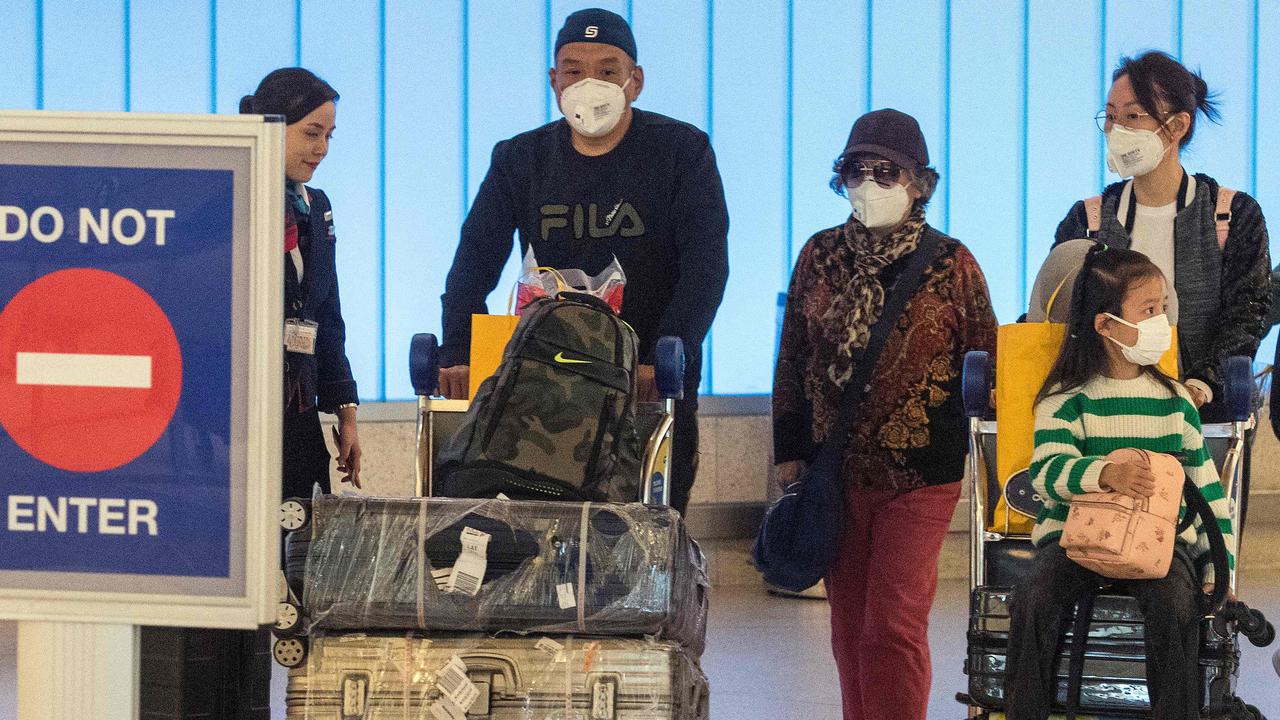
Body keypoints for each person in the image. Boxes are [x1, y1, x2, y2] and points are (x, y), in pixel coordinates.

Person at [437, 8, 729, 514]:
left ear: (634, 81)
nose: (588, 82)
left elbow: (706, 266)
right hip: (545, 375)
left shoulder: (681, 151)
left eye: (608, 70)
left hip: (649, 378)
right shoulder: (520, 158)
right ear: (554, 81)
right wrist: (457, 350)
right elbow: (472, 264)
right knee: (545, 523)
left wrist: (662, 356)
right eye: (573, 70)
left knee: (646, 532)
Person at [771, 108, 998, 720]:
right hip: (833, 473)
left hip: (922, 472)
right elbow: (792, 356)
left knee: (891, 624)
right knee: (848, 629)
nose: (868, 184)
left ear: (920, 183)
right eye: (855, 170)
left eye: (886, 171)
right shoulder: (818, 255)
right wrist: (789, 453)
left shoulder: (953, 263)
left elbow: (987, 360)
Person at [1004, 244, 1234, 720]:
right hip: (1074, 543)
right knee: (1033, 602)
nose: (1160, 322)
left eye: (1162, 308)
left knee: (1176, 607)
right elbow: (1046, 475)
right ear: (1106, 324)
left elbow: (1210, 495)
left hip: (1159, 546)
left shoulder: (1175, 402)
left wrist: (1219, 570)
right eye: (1148, 311)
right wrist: (1103, 473)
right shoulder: (1065, 401)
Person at [1054, 51, 1270, 422]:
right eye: (1110, 116)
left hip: (1202, 421)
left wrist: (1203, 384)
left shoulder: (1233, 217)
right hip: (1104, 420)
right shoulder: (1087, 220)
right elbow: (1058, 316)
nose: (1116, 128)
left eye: (1133, 116)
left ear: (1178, 125)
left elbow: (1246, 314)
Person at [240, 68, 362, 498]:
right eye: (312, 133)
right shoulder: (234, 202)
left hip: (299, 408)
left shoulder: (316, 208)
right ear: (272, 128)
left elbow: (326, 316)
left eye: (329, 136)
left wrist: (345, 410)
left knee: (304, 553)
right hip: (242, 418)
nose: (322, 149)